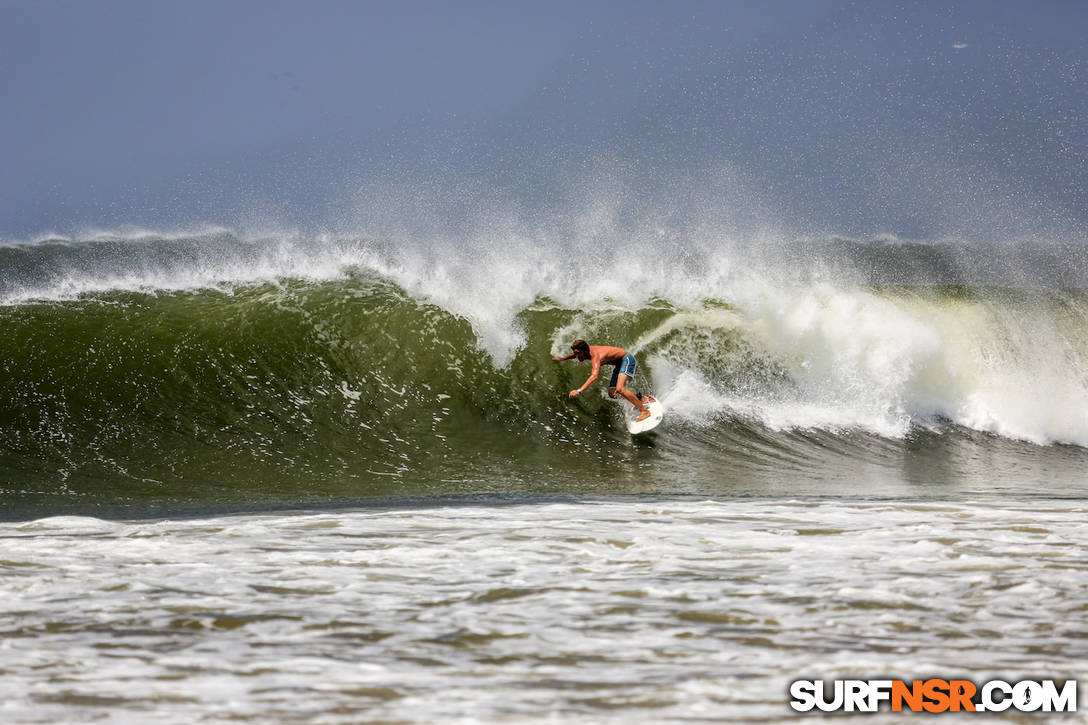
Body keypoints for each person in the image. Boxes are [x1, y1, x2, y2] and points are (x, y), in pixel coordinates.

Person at [552, 339, 651, 422]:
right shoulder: (585, 352)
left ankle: (644, 411)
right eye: (575, 353)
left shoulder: (595, 356)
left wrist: (579, 390)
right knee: (612, 393)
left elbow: (594, 376)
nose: (576, 356)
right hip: (619, 364)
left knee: (620, 389)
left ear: (585, 351)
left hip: (627, 359)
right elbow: (575, 354)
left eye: (578, 354)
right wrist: (563, 358)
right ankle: (639, 397)